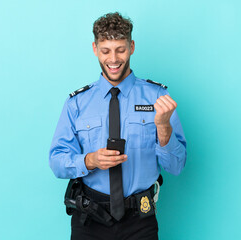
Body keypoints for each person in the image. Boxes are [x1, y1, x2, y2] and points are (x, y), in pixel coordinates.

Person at [49, 12, 187, 240]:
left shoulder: (158, 98)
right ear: (95, 49)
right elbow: (56, 161)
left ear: (131, 46)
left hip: (140, 221)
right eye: (105, 51)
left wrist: (163, 128)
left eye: (120, 49)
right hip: (89, 220)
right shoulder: (77, 103)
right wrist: (89, 160)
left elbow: (177, 166)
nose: (113, 59)